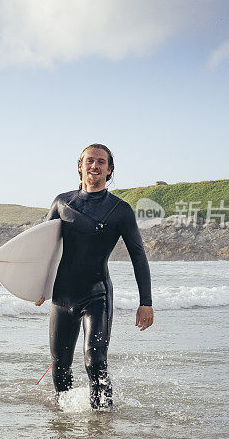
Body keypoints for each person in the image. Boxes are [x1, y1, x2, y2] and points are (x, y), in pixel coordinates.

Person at [35, 143, 153, 410]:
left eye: (101, 162)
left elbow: (138, 256)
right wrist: (37, 286)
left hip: (96, 294)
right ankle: (61, 421)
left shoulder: (120, 210)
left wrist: (145, 302)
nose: (95, 166)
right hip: (62, 295)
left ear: (109, 170)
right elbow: (43, 248)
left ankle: (102, 422)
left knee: (95, 360)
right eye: (90, 160)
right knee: (60, 365)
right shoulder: (62, 203)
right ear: (80, 166)